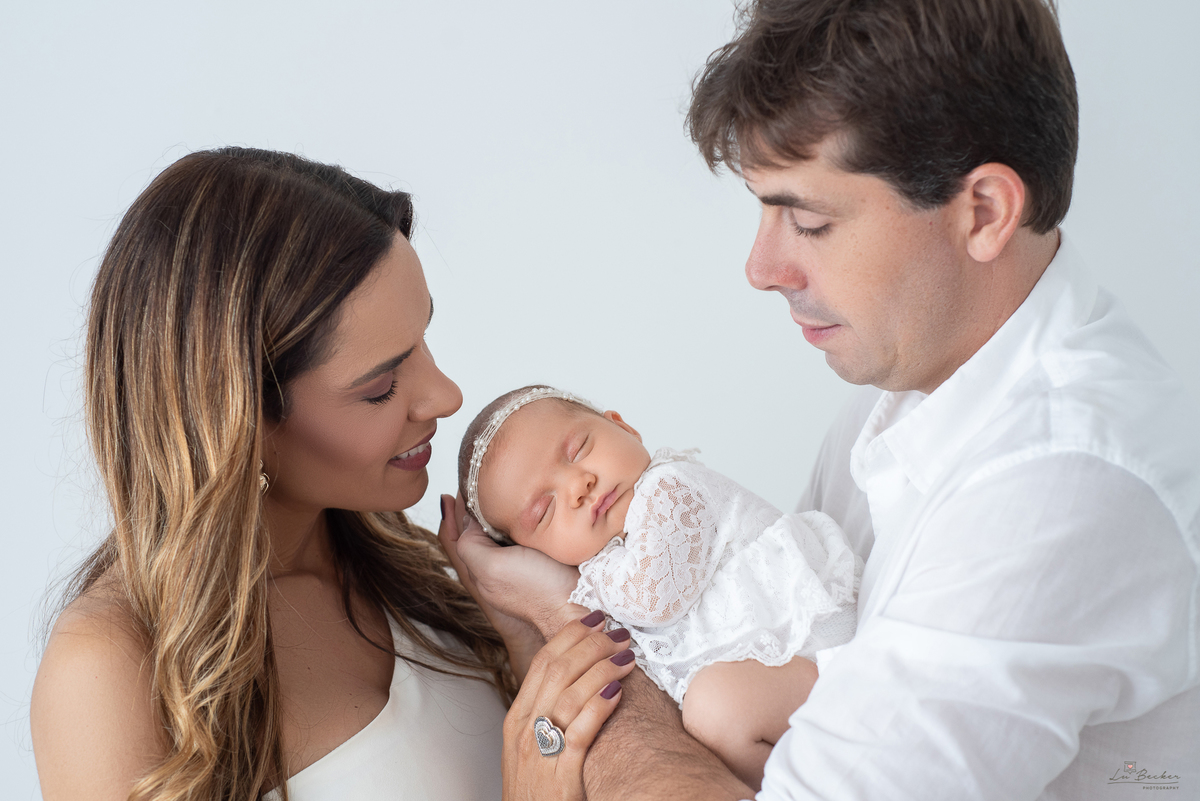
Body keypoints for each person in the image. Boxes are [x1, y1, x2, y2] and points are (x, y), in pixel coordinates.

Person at [442, 1, 1200, 798]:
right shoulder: (905, 393)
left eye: (807, 219)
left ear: (982, 211)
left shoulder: (1054, 486)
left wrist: (567, 626)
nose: (761, 268)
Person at [29, 148, 636, 801]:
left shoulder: (411, 569)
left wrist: (527, 638)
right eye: (380, 386)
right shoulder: (107, 671)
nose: (446, 396)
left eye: (423, 338)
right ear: (238, 424)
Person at [456, 384, 860, 789]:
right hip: (775, 684)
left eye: (579, 450)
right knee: (709, 724)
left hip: (812, 639)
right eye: (545, 510)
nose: (579, 486)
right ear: (536, 551)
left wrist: (574, 583)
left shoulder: (668, 489)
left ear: (624, 427)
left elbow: (652, 599)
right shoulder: (614, 557)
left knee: (716, 710)